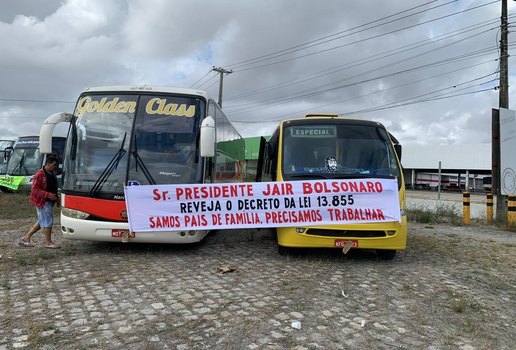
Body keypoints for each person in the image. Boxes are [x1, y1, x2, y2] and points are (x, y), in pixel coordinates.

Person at [19, 156, 60, 249]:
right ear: (48, 164)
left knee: (42, 221)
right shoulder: (39, 174)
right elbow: (35, 189)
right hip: (42, 201)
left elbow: (54, 187)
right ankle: (48, 242)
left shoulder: (52, 173)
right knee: (48, 221)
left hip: (49, 201)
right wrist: (48, 195)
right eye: (54, 165)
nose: (56, 167)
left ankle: (26, 237)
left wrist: (57, 199)